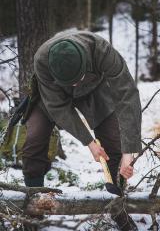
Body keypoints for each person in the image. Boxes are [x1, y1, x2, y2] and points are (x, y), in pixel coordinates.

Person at [22, 30, 141, 230]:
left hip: (94, 91)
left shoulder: (101, 50)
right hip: (52, 98)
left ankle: (117, 208)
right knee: (34, 141)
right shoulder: (41, 60)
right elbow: (58, 107)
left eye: (77, 78)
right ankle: (34, 208)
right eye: (71, 81)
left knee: (114, 144)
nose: (75, 84)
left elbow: (127, 94)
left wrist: (129, 151)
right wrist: (89, 142)